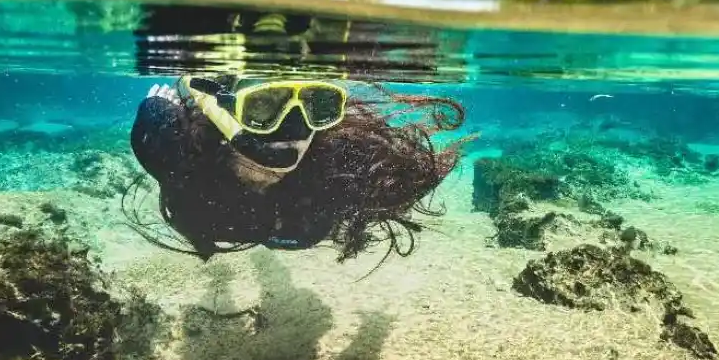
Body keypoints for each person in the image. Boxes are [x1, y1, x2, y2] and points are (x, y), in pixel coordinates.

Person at [126, 73, 468, 266]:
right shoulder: (170, 148)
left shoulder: (336, 167)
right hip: (216, 220)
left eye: (318, 106)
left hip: (296, 227)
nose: (295, 133)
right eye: (262, 106)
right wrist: (156, 123)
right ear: (220, 114)